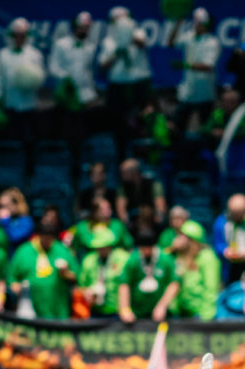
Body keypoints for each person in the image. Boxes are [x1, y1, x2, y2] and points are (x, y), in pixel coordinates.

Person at [98, 7, 153, 142]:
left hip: (139, 82)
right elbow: (103, 65)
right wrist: (116, 53)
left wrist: (128, 35)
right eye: (118, 21)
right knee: (118, 119)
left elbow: (142, 44)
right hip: (118, 84)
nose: (122, 24)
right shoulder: (108, 41)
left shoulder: (139, 33)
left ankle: (146, 149)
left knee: (145, 116)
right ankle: (121, 152)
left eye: (125, 20)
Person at [0, 18, 46, 144]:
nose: (20, 38)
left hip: (30, 104)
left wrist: (32, 84)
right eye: (17, 35)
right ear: (11, 35)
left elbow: (40, 77)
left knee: (30, 139)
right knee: (12, 138)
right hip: (10, 103)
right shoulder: (3, 54)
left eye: (22, 35)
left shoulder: (35, 54)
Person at [10, 214, 80, 319]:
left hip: (58, 310)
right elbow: (11, 276)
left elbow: (76, 276)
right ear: (38, 236)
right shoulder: (24, 251)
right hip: (31, 310)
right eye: (44, 237)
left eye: (50, 238)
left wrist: (65, 273)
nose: (47, 241)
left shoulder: (62, 250)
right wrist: (14, 285)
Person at [169, 8, 221, 130]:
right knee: (176, 128)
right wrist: (178, 23)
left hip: (205, 94)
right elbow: (171, 43)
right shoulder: (189, 37)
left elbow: (208, 66)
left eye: (199, 23)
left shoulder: (212, 42)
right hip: (187, 94)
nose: (196, 25)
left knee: (207, 129)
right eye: (195, 22)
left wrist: (185, 65)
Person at [50, 12, 100, 132]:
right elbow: (53, 67)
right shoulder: (61, 44)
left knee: (86, 128)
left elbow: (90, 71)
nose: (85, 30)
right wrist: (67, 78)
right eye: (82, 27)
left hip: (86, 95)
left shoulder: (91, 47)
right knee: (68, 128)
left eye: (87, 28)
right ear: (75, 27)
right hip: (67, 93)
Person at [117, 229, 177, 323]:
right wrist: (125, 309)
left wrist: (162, 306)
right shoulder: (133, 259)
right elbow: (124, 283)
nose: (145, 251)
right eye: (142, 248)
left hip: (161, 314)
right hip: (137, 313)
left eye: (148, 248)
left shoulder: (165, 259)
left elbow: (174, 283)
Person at [166, 221, 219, 320]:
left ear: (192, 240)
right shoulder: (178, 256)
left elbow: (211, 288)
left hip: (199, 314)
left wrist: (206, 316)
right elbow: (162, 262)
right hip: (179, 312)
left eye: (183, 236)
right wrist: (172, 249)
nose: (178, 239)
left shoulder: (207, 257)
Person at [78, 230, 130, 317]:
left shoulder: (123, 258)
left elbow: (127, 284)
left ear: (110, 246)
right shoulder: (89, 260)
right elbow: (82, 284)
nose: (100, 250)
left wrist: (125, 308)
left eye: (103, 247)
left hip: (117, 310)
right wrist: (87, 293)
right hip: (95, 309)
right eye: (98, 247)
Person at [116, 159, 166, 227]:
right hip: (133, 221)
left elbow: (160, 206)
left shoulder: (154, 184)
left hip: (151, 220)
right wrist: (127, 224)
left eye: (124, 172)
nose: (121, 175)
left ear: (133, 172)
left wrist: (158, 222)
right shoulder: (123, 187)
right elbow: (121, 208)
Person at [0, 187, 34, 251]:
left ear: (15, 205)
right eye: (0, 206)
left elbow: (15, 238)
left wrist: (5, 221)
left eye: (5, 206)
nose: (1, 210)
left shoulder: (26, 221)